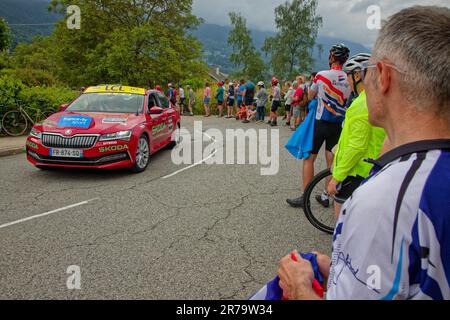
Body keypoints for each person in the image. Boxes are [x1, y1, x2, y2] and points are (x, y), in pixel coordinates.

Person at [278, 6, 450, 300]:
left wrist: (299, 288)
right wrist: (339, 269)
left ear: (382, 76)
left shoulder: (386, 201)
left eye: (368, 70)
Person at [287, 44, 351, 208]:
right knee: (332, 162)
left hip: (320, 122)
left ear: (331, 57)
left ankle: (305, 197)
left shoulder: (321, 75)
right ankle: (326, 196)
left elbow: (310, 96)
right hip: (338, 125)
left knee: (309, 159)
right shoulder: (349, 77)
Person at [323, 53, 386, 219]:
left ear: (358, 75)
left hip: (356, 171)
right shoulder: (374, 99)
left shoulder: (361, 104)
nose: (347, 82)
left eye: (348, 77)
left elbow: (357, 146)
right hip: (370, 169)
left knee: (342, 226)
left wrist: (336, 178)